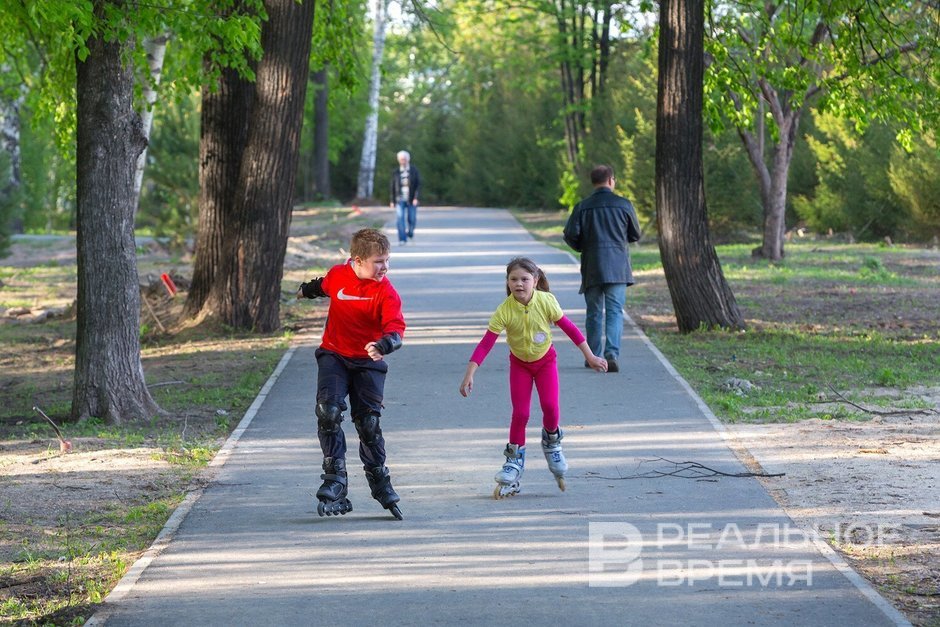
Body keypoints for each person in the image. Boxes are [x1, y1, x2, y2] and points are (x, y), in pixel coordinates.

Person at [459, 257, 607, 499]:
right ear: (508, 282)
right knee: (521, 413)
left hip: (545, 362)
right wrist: (470, 373)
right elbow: (486, 343)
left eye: (524, 279)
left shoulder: (546, 301)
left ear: (535, 281)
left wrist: (590, 356)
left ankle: (552, 442)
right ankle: (514, 460)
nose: (519, 284)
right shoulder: (504, 310)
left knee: (550, 406)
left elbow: (570, 328)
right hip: (520, 366)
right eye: (513, 279)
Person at [296, 228, 406, 520]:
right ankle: (335, 477)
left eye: (387, 260)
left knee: (368, 423)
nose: (385, 267)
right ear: (357, 261)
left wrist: (384, 344)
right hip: (334, 355)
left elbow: (396, 329)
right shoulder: (339, 275)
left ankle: (379, 477)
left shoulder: (385, 291)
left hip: (369, 362)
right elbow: (325, 285)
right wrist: (306, 290)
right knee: (328, 412)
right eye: (378, 261)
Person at [563, 164, 641, 373]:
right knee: (615, 311)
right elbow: (635, 234)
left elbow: (570, 234)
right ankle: (612, 354)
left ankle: (593, 357)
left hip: (592, 266)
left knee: (594, 313)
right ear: (610, 180)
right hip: (617, 267)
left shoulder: (582, 206)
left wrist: (584, 248)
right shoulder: (624, 205)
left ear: (593, 182)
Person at [389, 150, 421, 245]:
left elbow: (418, 185)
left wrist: (416, 198)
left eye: (404, 159)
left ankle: (410, 233)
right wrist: (392, 200)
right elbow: (392, 186)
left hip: (411, 198)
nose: (403, 161)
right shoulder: (396, 172)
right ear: (398, 160)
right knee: (400, 219)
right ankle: (402, 239)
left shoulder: (414, 170)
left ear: (408, 159)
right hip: (400, 199)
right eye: (401, 159)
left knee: (412, 219)